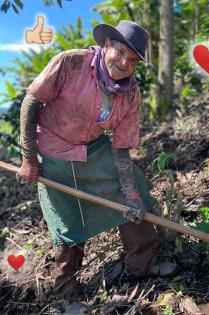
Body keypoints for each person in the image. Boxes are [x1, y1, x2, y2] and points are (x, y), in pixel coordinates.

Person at [16, 20, 177, 298]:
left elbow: (121, 145)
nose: (124, 62)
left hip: (94, 146)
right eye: (120, 51)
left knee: (134, 192)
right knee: (67, 218)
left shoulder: (131, 93)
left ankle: (143, 263)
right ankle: (66, 289)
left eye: (133, 59)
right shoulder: (71, 63)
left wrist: (130, 193)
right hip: (54, 146)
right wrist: (29, 158)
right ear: (106, 46)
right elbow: (31, 103)